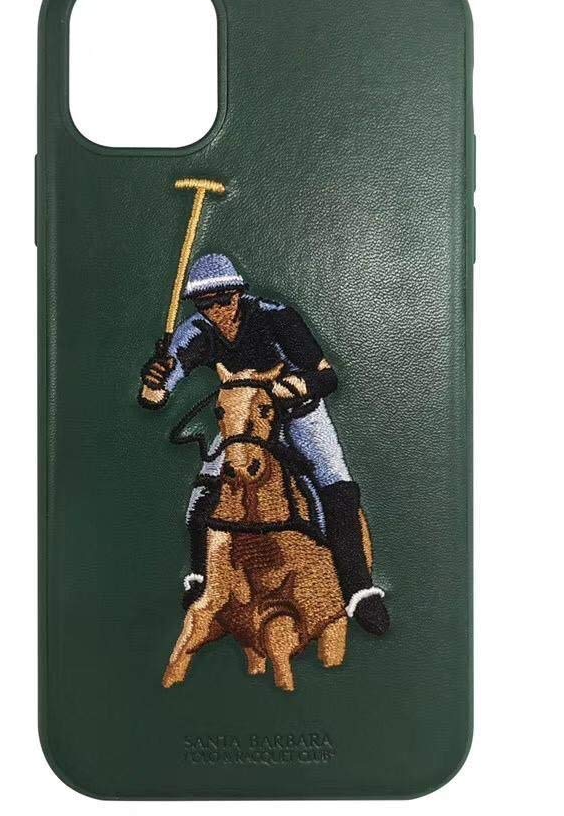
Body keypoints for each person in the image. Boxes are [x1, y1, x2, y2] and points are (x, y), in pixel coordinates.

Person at [138, 253, 390, 635]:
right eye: (206, 305)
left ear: (239, 294)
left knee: (336, 484)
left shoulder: (278, 317)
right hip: (244, 420)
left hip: (298, 412)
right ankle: (201, 577)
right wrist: (154, 379)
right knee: (203, 493)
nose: (217, 312)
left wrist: (297, 386)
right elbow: (154, 398)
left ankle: (359, 590)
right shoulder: (195, 332)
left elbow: (327, 376)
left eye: (224, 301)